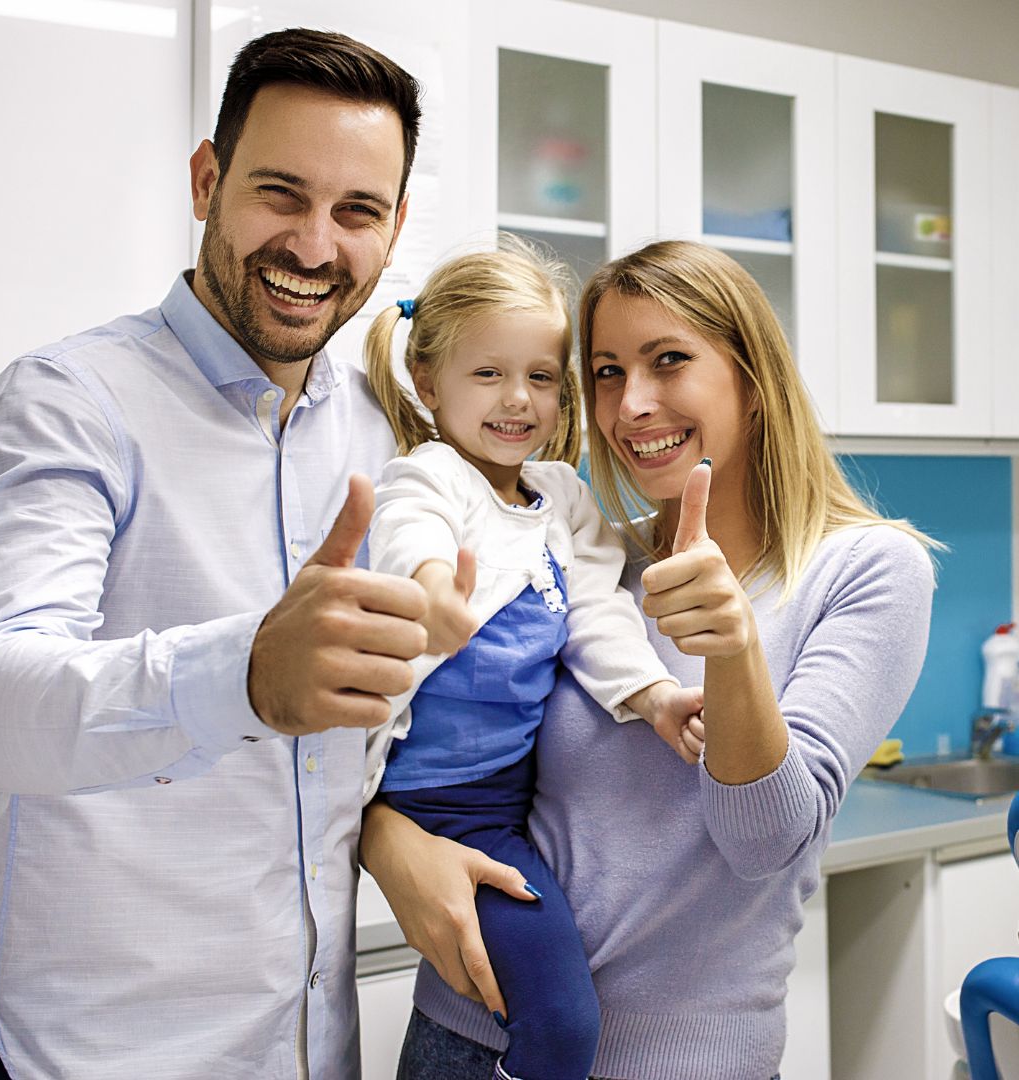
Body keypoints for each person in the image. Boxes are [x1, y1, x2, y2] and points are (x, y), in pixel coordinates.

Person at [0, 27, 523, 1080]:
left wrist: (391, 827)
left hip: (303, 1052)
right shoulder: (71, 403)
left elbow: (360, 741)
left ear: (393, 229)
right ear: (207, 180)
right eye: (279, 194)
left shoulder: (387, 442)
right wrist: (246, 675)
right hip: (88, 1056)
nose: (312, 246)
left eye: (355, 212)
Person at [360, 239, 938, 1080]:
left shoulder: (868, 571)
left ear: (752, 372)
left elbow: (763, 842)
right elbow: (458, 757)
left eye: (668, 361)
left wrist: (733, 649)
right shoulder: (579, 555)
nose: (631, 404)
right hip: (462, 1034)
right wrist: (383, 835)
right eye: (603, 371)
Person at [361, 243, 706, 1080]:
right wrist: (433, 592)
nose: (519, 401)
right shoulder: (430, 475)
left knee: (556, 1019)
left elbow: (597, 609)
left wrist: (656, 694)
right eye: (488, 374)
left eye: (544, 377)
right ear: (426, 375)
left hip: (505, 809)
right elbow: (413, 533)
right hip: (432, 809)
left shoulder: (562, 498)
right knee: (561, 1024)